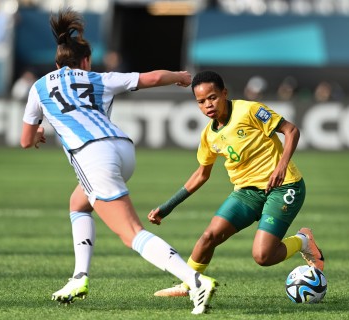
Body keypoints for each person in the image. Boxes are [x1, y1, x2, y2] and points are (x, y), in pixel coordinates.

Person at [19, 8, 218, 315]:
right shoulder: (99, 77)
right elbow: (150, 78)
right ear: (85, 61)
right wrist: (180, 77)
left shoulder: (40, 86)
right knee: (78, 203)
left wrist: (40, 134)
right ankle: (79, 277)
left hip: (91, 154)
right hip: (122, 149)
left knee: (131, 233)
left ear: (56, 62)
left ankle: (194, 280)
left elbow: (25, 139)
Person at [147, 70, 324, 297]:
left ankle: (302, 240)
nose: (208, 105)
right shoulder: (208, 135)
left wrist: (281, 166)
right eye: (201, 102)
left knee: (263, 256)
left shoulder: (249, 110)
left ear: (224, 93)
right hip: (246, 193)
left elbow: (291, 131)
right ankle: (188, 284)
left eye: (212, 97)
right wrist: (167, 207)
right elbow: (201, 174)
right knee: (209, 237)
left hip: (284, 186)